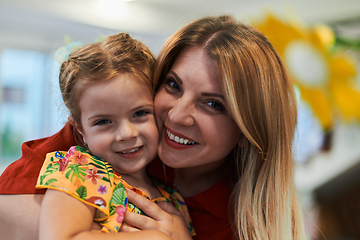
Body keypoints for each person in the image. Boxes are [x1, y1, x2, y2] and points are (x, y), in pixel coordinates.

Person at [0, 15, 306, 240]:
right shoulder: (85, 157)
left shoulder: (232, 216)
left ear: (247, 130)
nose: (176, 115)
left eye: (213, 104)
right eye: (173, 85)